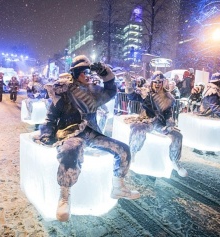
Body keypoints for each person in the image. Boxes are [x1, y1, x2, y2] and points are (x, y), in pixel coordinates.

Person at [33, 55, 140, 222]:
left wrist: (104, 72)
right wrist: (46, 134)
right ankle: (64, 196)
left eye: (89, 72)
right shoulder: (64, 91)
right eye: (84, 72)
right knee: (71, 151)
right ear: (76, 73)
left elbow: (111, 90)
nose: (88, 75)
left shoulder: (94, 92)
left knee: (123, 149)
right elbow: (51, 117)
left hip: (92, 133)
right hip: (71, 133)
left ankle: (118, 186)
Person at [124, 70, 188, 177]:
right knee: (138, 130)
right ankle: (131, 155)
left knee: (177, 136)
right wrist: (128, 84)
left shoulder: (168, 97)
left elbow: (168, 113)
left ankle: (175, 161)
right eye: (155, 82)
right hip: (147, 120)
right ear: (152, 83)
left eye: (160, 82)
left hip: (161, 124)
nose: (157, 84)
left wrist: (170, 121)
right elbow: (132, 96)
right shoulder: (146, 94)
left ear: (163, 83)